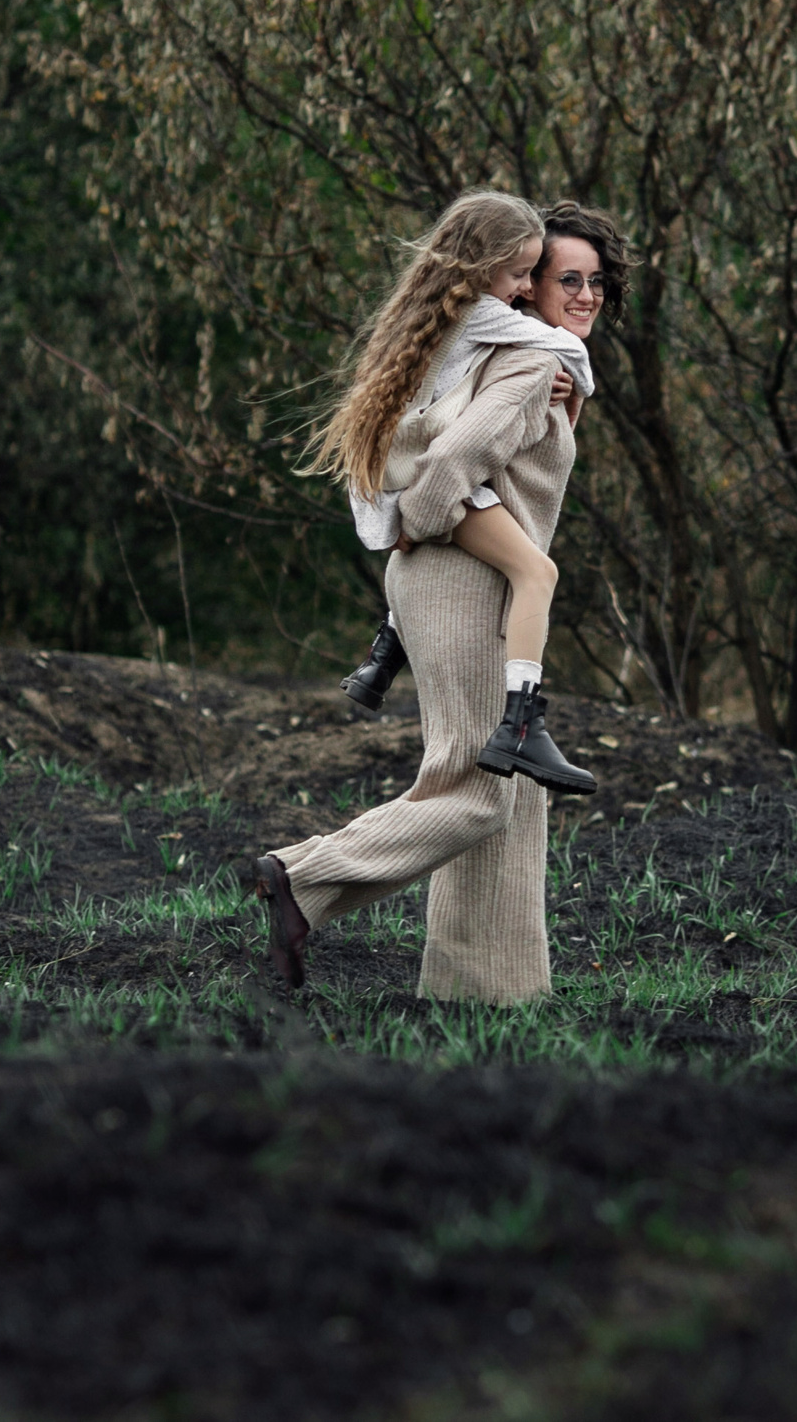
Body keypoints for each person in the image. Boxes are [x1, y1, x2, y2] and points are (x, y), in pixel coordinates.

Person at [250, 195, 627, 998]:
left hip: (473, 580)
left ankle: (490, 989)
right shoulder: (532, 359)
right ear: (524, 285)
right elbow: (447, 460)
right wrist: (418, 520)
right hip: (458, 581)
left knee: (512, 795)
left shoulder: (516, 350)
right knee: (480, 788)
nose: (583, 294)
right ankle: (300, 877)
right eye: (563, 278)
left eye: (597, 281)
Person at [320, 192, 596, 791]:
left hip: (401, 473)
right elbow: (570, 348)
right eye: (521, 273)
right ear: (480, 265)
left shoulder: (429, 310)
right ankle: (521, 720)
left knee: (503, 560)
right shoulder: (483, 312)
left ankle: (382, 656)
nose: (524, 290)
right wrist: (576, 384)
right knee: (537, 574)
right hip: (430, 481)